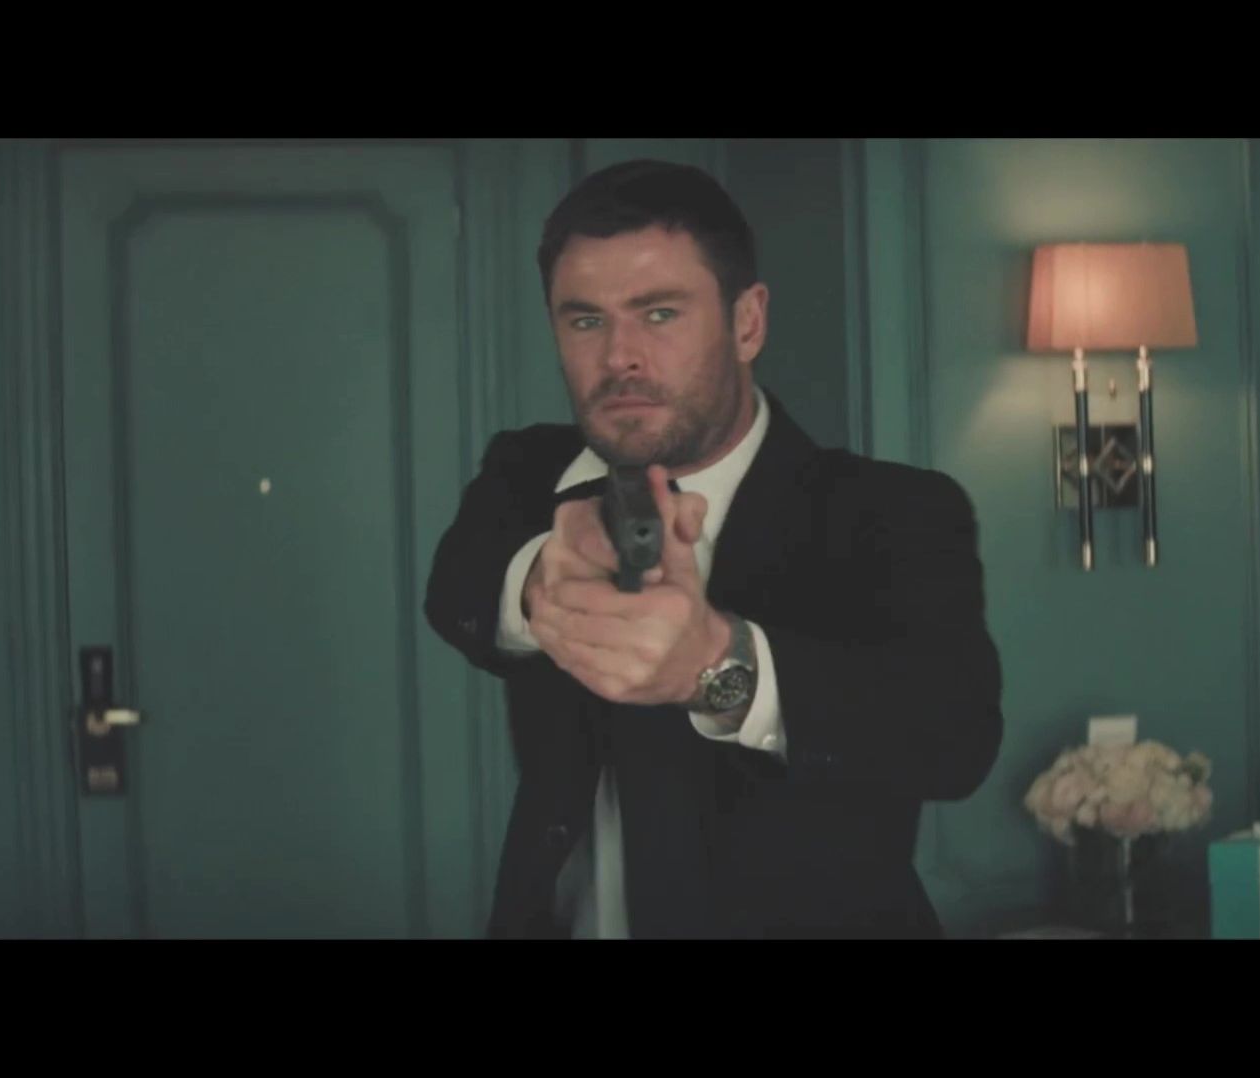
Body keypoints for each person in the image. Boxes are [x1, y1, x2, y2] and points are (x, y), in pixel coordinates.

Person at [424, 159, 1003, 939]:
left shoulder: (894, 510)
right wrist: (540, 583)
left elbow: (954, 740)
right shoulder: (527, 469)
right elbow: (454, 589)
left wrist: (714, 667)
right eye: (585, 321)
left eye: (659, 314)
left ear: (747, 322)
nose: (619, 357)